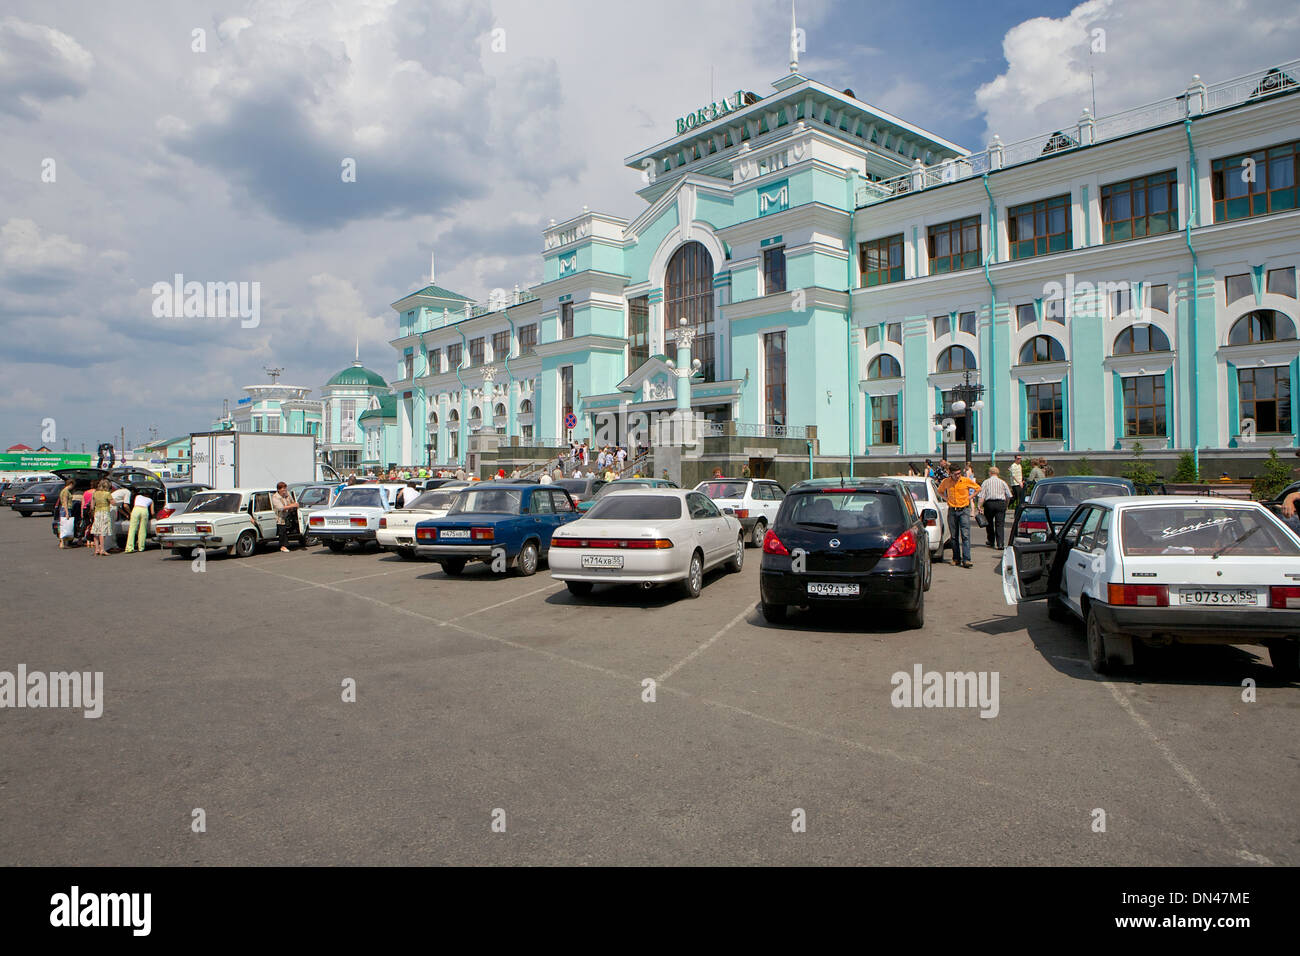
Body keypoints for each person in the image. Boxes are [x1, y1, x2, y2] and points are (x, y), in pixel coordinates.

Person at [937, 468, 980, 568]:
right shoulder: (946, 482)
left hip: (963, 510)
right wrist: (946, 499)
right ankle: (956, 558)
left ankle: (967, 559)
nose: (958, 475)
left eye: (959, 473)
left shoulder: (965, 480)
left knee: (965, 535)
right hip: (952, 510)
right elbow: (940, 491)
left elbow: (978, 488)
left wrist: (970, 497)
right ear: (950, 474)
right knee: (954, 536)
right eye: (956, 474)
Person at [978, 467, 1012, 551]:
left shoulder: (986, 482)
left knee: (989, 523)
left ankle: (991, 540)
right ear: (998, 473)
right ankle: (1000, 543)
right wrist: (1006, 504)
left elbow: (982, 495)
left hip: (989, 503)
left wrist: (979, 506)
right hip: (1001, 503)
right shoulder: (1002, 482)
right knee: (1000, 524)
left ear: (990, 473)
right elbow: (1009, 495)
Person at [271, 482, 299, 552]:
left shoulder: (288, 494)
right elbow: (281, 508)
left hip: (288, 515)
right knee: (282, 531)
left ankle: (286, 545)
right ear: (278, 490)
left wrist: (293, 505)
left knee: (290, 529)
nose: (284, 491)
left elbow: (293, 502)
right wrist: (292, 506)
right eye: (282, 489)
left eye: (285, 488)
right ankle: (283, 546)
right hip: (279, 517)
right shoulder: (275, 497)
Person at [90, 479, 114, 556]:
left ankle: (97, 549)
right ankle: (102, 549)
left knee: (96, 531)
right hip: (105, 512)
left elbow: (92, 506)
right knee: (102, 532)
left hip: (97, 512)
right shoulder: (107, 494)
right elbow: (113, 502)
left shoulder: (95, 493)